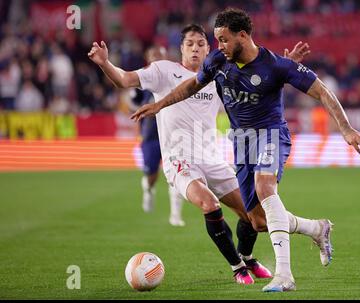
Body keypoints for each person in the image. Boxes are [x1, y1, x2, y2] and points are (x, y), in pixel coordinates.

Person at [130, 9, 360, 292]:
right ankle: (316, 229)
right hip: (241, 142)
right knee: (257, 221)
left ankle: (285, 276)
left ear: (242, 36)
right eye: (217, 40)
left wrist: (345, 128)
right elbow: (192, 86)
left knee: (265, 187)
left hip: (270, 133)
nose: (218, 46)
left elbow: (322, 92)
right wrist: (160, 104)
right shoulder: (219, 61)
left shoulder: (276, 65)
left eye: (223, 39)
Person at [89, 24, 309, 285]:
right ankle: (237, 266)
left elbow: (259, 88)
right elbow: (123, 80)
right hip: (179, 161)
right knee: (209, 204)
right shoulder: (162, 70)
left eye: (201, 44)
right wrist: (105, 63)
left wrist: (285, 69)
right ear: (181, 48)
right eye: (190, 43)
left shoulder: (219, 76)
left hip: (212, 158)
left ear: (209, 48)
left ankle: (248, 257)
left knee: (254, 215)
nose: (195, 48)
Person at [129, 46, 185, 226]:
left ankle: (175, 216)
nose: (157, 58)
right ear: (148, 58)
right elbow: (130, 99)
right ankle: (148, 189)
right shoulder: (143, 81)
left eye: (160, 55)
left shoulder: (175, 77)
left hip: (174, 135)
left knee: (179, 173)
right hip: (152, 135)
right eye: (153, 55)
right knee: (152, 173)